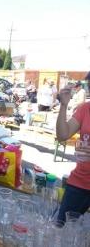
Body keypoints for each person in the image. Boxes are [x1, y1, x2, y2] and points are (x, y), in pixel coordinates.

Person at [56, 85, 90, 223]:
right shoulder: (86, 108)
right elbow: (63, 135)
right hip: (80, 180)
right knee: (61, 227)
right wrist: (64, 105)